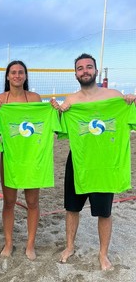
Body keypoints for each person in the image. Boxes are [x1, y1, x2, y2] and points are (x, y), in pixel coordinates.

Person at [54, 53, 136, 270]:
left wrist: (129, 101)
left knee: (104, 212)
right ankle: (70, 246)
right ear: (75, 74)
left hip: (105, 165)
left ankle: (103, 254)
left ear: (96, 71)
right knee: (72, 208)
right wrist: (59, 112)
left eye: (89, 67)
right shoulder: (71, 102)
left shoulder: (114, 97)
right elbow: (59, 130)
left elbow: (131, 121)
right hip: (79, 162)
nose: (85, 71)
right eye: (80, 68)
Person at [0, 60, 61, 260]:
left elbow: (44, 119)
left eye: (20, 72)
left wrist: (54, 108)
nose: (17, 75)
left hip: (32, 157)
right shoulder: (1, 99)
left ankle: (30, 245)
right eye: (13, 72)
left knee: (32, 202)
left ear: (25, 76)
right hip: (11, 156)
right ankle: (8, 243)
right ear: (7, 76)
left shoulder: (33, 98)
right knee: (9, 202)